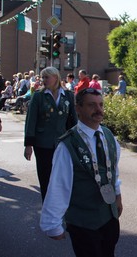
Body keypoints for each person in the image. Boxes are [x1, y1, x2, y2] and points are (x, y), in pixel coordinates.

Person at [40, 88, 123, 257]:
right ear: (78, 108)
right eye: (91, 105)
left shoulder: (108, 136)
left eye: (101, 105)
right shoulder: (67, 145)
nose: (98, 110)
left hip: (109, 217)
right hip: (83, 222)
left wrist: (118, 196)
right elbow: (59, 185)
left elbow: (114, 170)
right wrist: (52, 224)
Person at [24, 66, 77, 201]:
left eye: (47, 77)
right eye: (43, 77)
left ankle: (60, 207)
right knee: (46, 177)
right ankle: (47, 207)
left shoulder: (68, 95)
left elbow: (73, 120)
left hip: (63, 143)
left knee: (62, 177)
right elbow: (31, 121)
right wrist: (28, 145)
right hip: (43, 143)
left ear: (56, 78)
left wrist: (76, 140)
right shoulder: (38, 96)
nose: (43, 80)